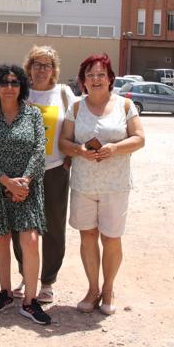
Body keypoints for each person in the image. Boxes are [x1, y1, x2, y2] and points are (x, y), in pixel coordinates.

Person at [59, 53, 145, 315]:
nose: (95, 79)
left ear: (110, 79)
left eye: (100, 75)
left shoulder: (125, 107)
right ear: (83, 81)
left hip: (115, 186)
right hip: (84, 185)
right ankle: (92, 288)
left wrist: (115, 148)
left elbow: (140, 139)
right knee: (87, 236)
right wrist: (80, 150)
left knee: (111, 238)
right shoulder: (75, 107)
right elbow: (64, 142)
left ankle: (108, 289)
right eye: (90, 75)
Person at [0, 64, 51, 325]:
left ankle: (30, 302)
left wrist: (24, 182)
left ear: (22, 87)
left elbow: (40, 150)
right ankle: (6, 292)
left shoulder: (33, 116)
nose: (9, 87)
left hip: (27, 190)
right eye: (4, 83)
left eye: (15, 83)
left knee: (30, 240)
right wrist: (8, 182)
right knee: (0, 239)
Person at [10, 46, 76, 305]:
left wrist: (69, 158)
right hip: (23, 173)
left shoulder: (63, 93)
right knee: (20, 227)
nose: (41, 69)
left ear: (54, 69)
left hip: (54, 171)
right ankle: (27, 276)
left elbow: (74, 128)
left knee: (53, 227)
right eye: (36, 64)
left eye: (46, 64)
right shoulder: (19, 91)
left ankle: (47, 281)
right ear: (29, 66)